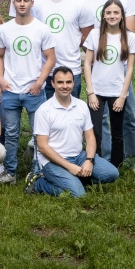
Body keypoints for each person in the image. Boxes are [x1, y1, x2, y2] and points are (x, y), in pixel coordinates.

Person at [81, 0, 135, 170]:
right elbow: (86, 35)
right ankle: (102, 160)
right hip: (99, 70)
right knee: (99, 122)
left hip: (120, 70)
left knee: (128, 118)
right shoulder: (86, 0)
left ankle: (132, 159)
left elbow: (129, 33)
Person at [0, 0, 55, 185]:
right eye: (18, 0)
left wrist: (39, 82)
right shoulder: (4, 29)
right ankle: (10, 173)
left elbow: (51, 58)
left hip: (34, 90)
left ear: (32, 3)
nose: (21, 3)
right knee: (10, 134)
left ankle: (38, 170)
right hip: (10, 90)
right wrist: (0, 79)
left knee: (39, 134)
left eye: (25, 0)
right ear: (13, 3)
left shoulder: (42, 29)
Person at [24, 67, 120, 197]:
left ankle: (74, 180)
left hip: (78, 156)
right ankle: (39, 182)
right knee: (78, 194)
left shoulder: (81, 106)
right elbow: (42, 147)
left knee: (112, 174)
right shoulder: (44, 110)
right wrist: (69, 166)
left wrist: (89, 160)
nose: (65, 86)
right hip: (53, 161)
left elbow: (90, 137)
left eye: (68, 82)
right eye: (60, 82)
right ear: (53, 83)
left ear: (73, 83)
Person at [32, 0, 94, 99]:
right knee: (45, 114)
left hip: (71, 69)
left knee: (70, 113)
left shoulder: (79, 4)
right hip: (43, 70)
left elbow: (87, 38)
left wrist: (93, 63)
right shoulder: (36, 4)